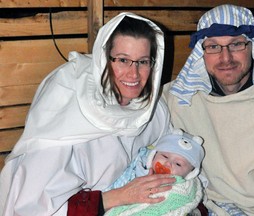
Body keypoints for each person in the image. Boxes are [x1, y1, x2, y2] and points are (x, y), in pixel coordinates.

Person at [0, 12, 176, 216]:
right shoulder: (70, 106)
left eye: (143, 61)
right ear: (104, 58)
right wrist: (120, 196)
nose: (133, 73)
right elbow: (31, 206)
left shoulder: (154, 111)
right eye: (122, 60)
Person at [162, 4, 254, 216]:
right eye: (213, 47)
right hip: (217, 208)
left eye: (237, 44)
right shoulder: (181, 99)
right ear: (201, 53)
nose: (226, 58)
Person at [104, 128, 207, 216]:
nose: (168, 163)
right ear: (152, 156)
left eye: (178, 164)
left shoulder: (185, 188)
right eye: (165, 156)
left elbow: (190, 202)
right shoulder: (135, 171)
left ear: (190, 173)